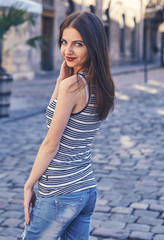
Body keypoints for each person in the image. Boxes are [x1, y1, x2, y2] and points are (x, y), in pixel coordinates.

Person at [22, 11, 115, 240]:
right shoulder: (100, 84)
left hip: (59, 192)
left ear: (92, 46)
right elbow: (53, 114)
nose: (68, 51)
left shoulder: (73, 87)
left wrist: (28, 185)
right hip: (85, 189)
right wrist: (59, 81)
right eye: (64, 42)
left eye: (78, 44)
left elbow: (50, 144)